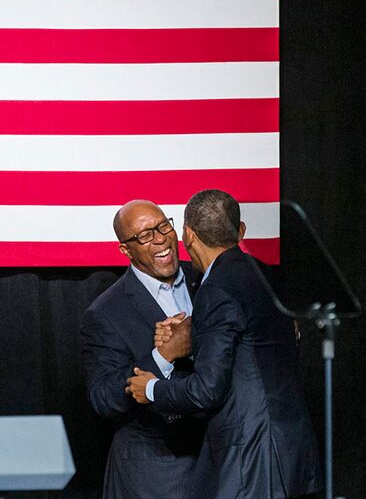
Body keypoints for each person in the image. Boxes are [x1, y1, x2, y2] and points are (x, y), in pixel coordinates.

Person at [126, 189, 321, 499]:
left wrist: (151, 388)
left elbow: (207, 390)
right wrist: (196, 335)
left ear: (188, 235)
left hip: (254, 457)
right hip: (293, 448)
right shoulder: (267, 274)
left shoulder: (216, 290)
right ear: (240, 231)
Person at [81, 200, 204, 499]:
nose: (160, 238)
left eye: (164, 226)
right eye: (145, 235)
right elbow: (103, 399)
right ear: (126, 250)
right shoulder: (107, 312)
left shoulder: (205, 278)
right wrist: (164, 354)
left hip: (221, 456)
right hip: (157, 470)